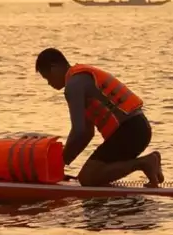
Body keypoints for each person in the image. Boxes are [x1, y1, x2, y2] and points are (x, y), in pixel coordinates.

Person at [35, 46, 163, 187]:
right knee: (90, 173)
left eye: (47, 77)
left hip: (129, 131)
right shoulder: (81, 78)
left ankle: (145, 163)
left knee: (88, 178)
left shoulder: (73, 85)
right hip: (140, 128)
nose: (49, 83)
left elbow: (78, 131)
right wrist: (63, 163)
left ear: (54, 68)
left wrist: (58, 165)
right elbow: (86, 134)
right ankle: (150, 161)